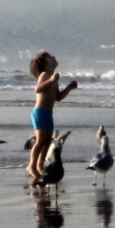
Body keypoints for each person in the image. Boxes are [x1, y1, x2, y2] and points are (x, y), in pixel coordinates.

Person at [27, 51, 77, 181]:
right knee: (40, 140)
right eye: (50, 57)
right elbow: (38, 89)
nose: (54, 57)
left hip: (48, 113)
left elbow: (58, 97)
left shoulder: (53, 78)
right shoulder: (45, 75)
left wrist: (69, 88)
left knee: (47, 141)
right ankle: (31, 166)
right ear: (44, 63)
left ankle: (40, 165)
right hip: (39, 112)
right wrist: (51, 80)